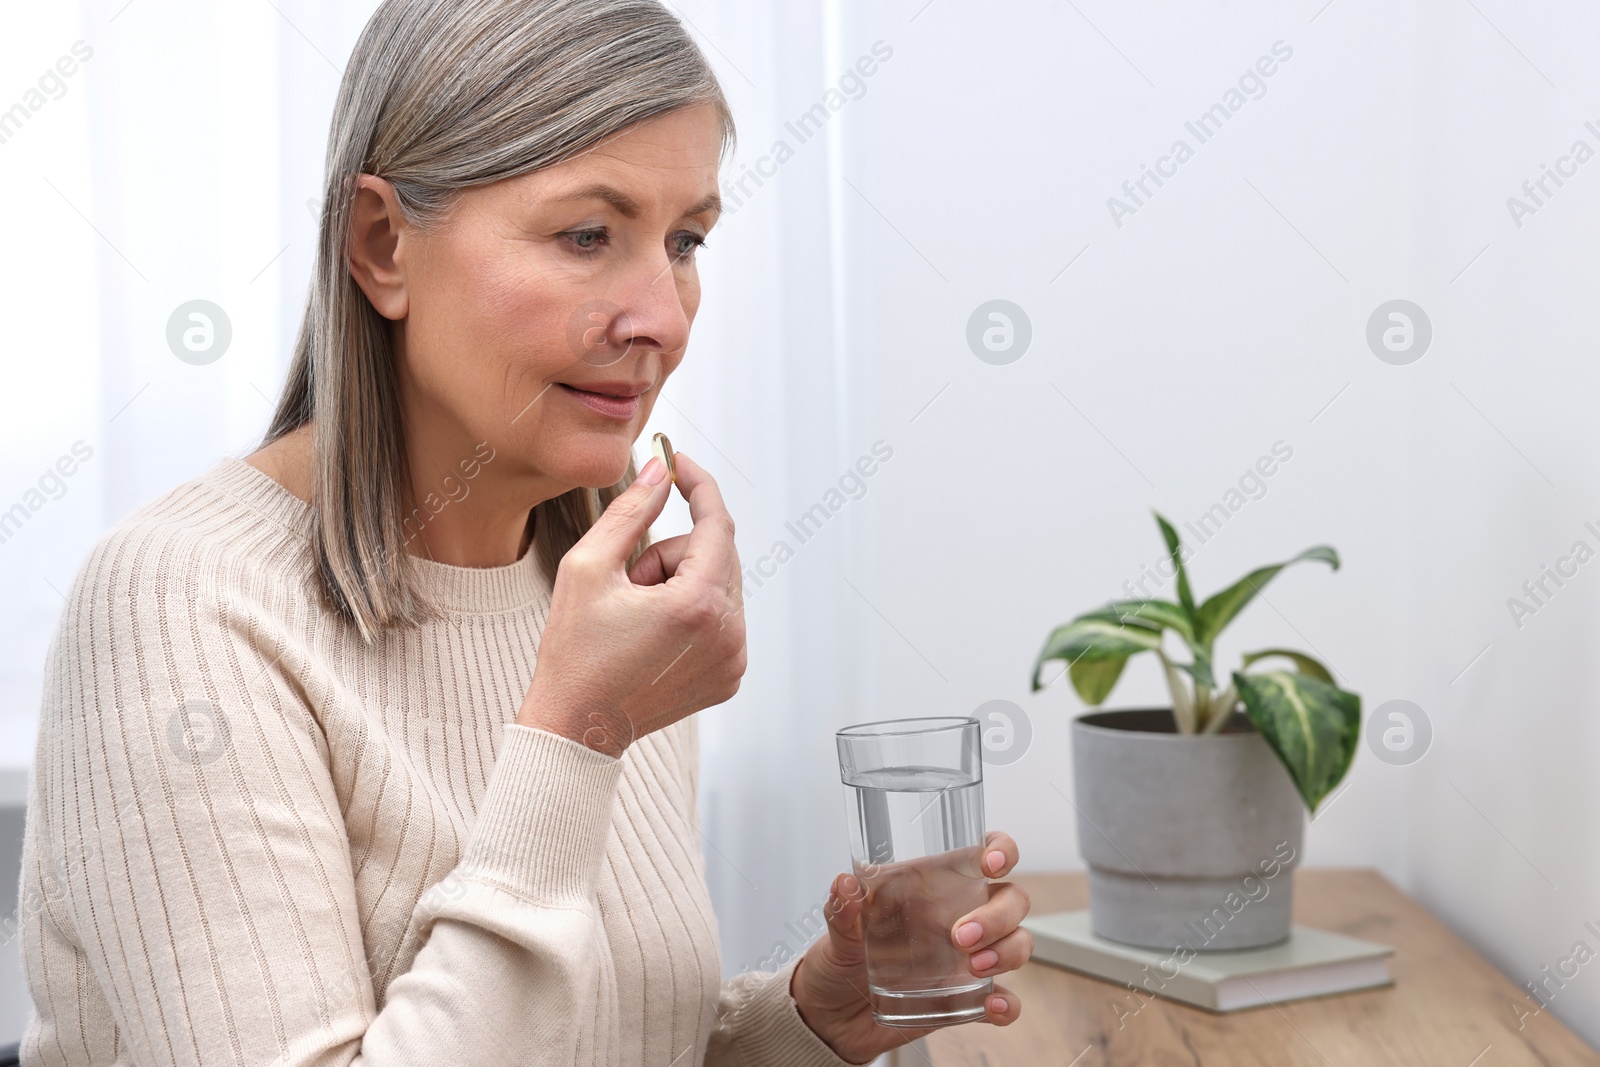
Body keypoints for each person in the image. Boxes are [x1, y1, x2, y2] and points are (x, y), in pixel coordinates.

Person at [17, 1, 1032, 1063]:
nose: (666, 318)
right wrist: (577, 730)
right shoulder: (183, 602)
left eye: (685, 240)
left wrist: (811, 1016)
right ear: (382, 245)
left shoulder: (601, 604)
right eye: (588, 235)